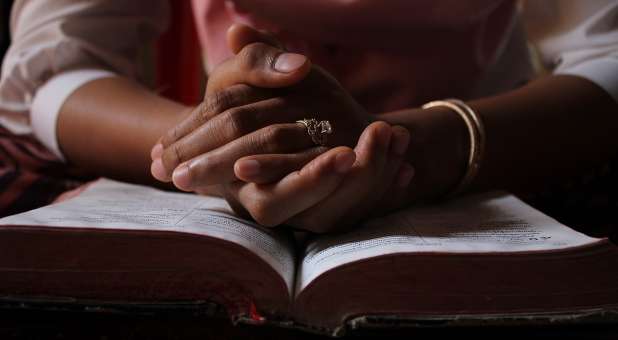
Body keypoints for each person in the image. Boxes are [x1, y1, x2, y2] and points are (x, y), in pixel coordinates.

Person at [1, 0, 617, 233]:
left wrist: (416, 146)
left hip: (497, 151)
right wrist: (216, 142)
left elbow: (608, 54)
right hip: (224, 162)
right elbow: (50, 71)